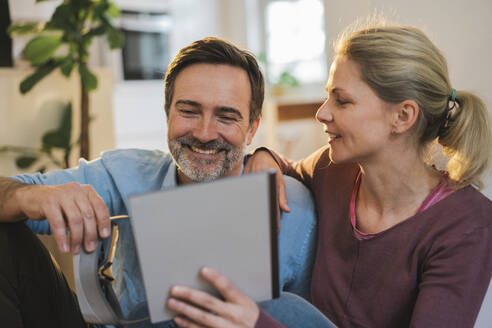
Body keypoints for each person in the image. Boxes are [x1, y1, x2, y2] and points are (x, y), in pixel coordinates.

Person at [163, 23, 492, 328]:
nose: (322, 113)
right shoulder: (333, 171)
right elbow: (288, 166)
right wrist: (264, 157)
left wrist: (256, 323)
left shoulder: (467, 224)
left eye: (342, 100)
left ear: (403, 115)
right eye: (328, 95)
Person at [0, 37, 317, 327]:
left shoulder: (296, 209)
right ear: (167, 114)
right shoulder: (123, 174)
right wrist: (29, 195)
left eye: (226, 117)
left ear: (252, 129)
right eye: (189, 111)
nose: (205, 133)